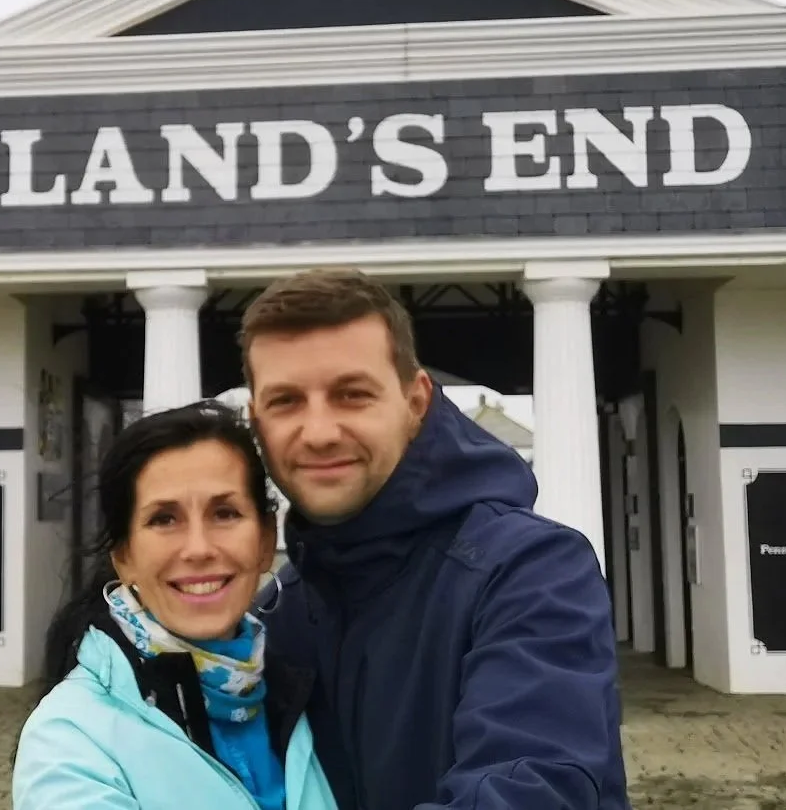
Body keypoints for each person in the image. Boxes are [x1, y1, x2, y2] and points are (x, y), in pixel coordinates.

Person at [243, 268, 629, 810]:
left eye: (352, 394)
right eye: (286, 401)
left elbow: (530, 789)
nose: (321, 432)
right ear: (256, 421)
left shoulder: (531, 571)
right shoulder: (277, 613)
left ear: (416, 402)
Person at [12, 400, 341, 810]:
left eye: (225, 513)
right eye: (164, 519)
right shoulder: (70, 739)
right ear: (124, 556)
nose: (199, 549)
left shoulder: (307, 696)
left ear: (264, 540)